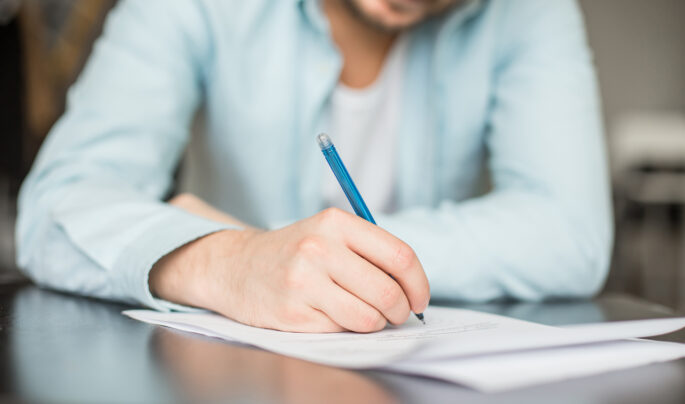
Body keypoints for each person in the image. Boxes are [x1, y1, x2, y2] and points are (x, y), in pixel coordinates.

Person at [16, 0, 612, 333]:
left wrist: (319, 259)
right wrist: (229, 260)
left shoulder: (528, 12)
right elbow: (55, 209)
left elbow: (569, 233)